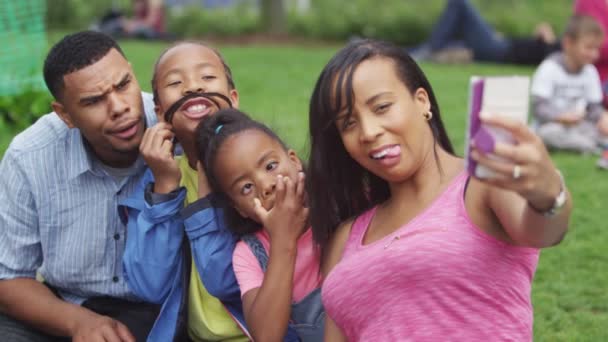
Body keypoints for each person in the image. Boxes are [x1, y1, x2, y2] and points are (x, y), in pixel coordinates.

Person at [307, 39, 572, 340]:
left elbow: (543, 230)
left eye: (381, 107)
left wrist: (549, 194)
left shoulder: (481, 183)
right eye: (348, 123)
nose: (368, 132)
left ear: (422, 101)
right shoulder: (344, 239)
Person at [0, 31, 158, 341]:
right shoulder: (29, 157)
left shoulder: (180, 130)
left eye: (124, 85)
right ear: (65, 114)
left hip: (164, 310)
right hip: (66, 304)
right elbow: (7, 276)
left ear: (131, 71)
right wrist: (78, 323)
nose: (119, 107)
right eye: (94, 101)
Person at [121, 41, 252, 341]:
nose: (193, 87)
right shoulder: (159, 180)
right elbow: (150, 285)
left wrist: (207, 201)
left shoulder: (258, 172)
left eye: (207, 78)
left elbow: (226, 282)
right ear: (159, 112)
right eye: (175, 82)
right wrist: (166, 189)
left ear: (232, 99)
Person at [195, 109, 324, 342]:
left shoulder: (338, 207)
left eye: (271, 166)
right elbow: (266, 335)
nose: (266, 185)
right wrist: (283, 240)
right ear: (240, 209)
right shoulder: (248, 255)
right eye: (246, 187)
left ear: (294, 161)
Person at [531, 15, 608, 155]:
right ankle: (592, 147)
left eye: (596, 49)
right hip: (553, 125)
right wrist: (560, 117)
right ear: (568, 43)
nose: (594, 54)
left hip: (580, 126)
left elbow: (593, 107)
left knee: (600, 129)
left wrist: (602, 117)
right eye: (588, 48)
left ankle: (590, 145)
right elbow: (538, 107)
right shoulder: (550, 68)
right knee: (548, 134)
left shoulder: (590, 71)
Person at [410, 0, 560, 65]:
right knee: (451, 45)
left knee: (459, 3)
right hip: (502, 44)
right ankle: (411, 54)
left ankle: (431, 48)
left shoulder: (558, 55)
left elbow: (551, 59)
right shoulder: (562, 47)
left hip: (500, 51)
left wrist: (549, 41)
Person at [97, 0, 167, 40]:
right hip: (140, 28)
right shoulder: (138, 2)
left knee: (140, 29)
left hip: (153, 31)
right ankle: (100, 32)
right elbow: (137, 18)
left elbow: (151, 22)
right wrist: (128, 23)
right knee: (117, 22)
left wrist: (133, 26)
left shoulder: (154, 2)